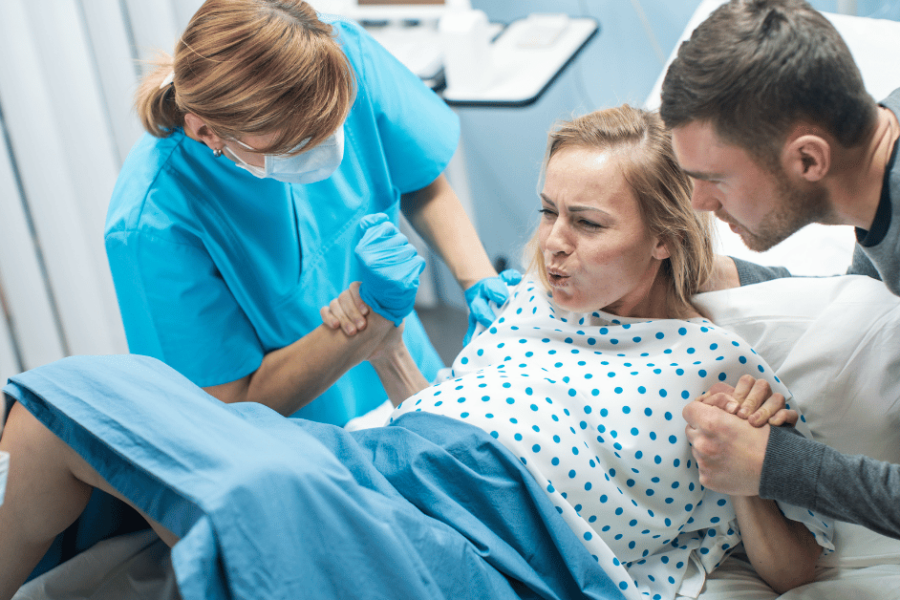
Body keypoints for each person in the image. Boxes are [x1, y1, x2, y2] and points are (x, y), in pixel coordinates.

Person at [0, 106, 828, 600]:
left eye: (588, 222)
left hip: (488, 550)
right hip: (374, 469)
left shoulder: (719, 367)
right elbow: (437, 412)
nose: (551, 246)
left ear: (660, 239)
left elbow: (797, 570)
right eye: (547, 213)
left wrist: (749, 475)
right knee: (67, 402)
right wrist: (389, 349)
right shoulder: (527, 307)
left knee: (260, 483)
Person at [105, 0, 510, 428]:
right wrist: (368, 321)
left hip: (406, 361)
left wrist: (478, 281)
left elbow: (420, 177)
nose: (327, 153)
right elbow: (226, 407)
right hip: (305, 436)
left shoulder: (334, 56)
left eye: (333, 126)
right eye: (297, 144)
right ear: (206, 131)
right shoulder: (153, 225)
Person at [658, 0, 900, 539]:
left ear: (809, 160)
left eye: (714, 178)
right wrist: (727, 275)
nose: (700, 203)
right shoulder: (884, 138)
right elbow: (864, 292)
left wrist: (774, 466)